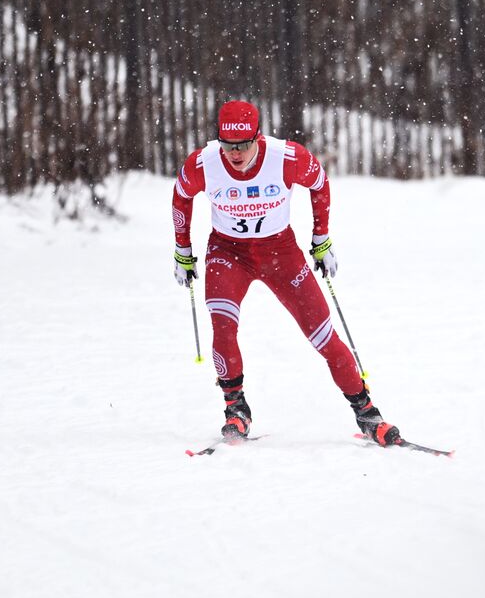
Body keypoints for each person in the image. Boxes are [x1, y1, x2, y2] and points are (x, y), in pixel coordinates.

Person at [171, 100, 402, 446]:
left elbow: (320, 184)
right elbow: (181, 196)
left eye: (243, 145)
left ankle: (368, 414)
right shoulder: (203, 163)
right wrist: (183, 250)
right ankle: (236, 410)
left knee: (324, 337)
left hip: (280, 254)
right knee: (222, 323)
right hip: (228, 252)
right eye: (228, 145)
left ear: (257, 137)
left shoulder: (286, 157)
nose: (235, 154)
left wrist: (321, 238)